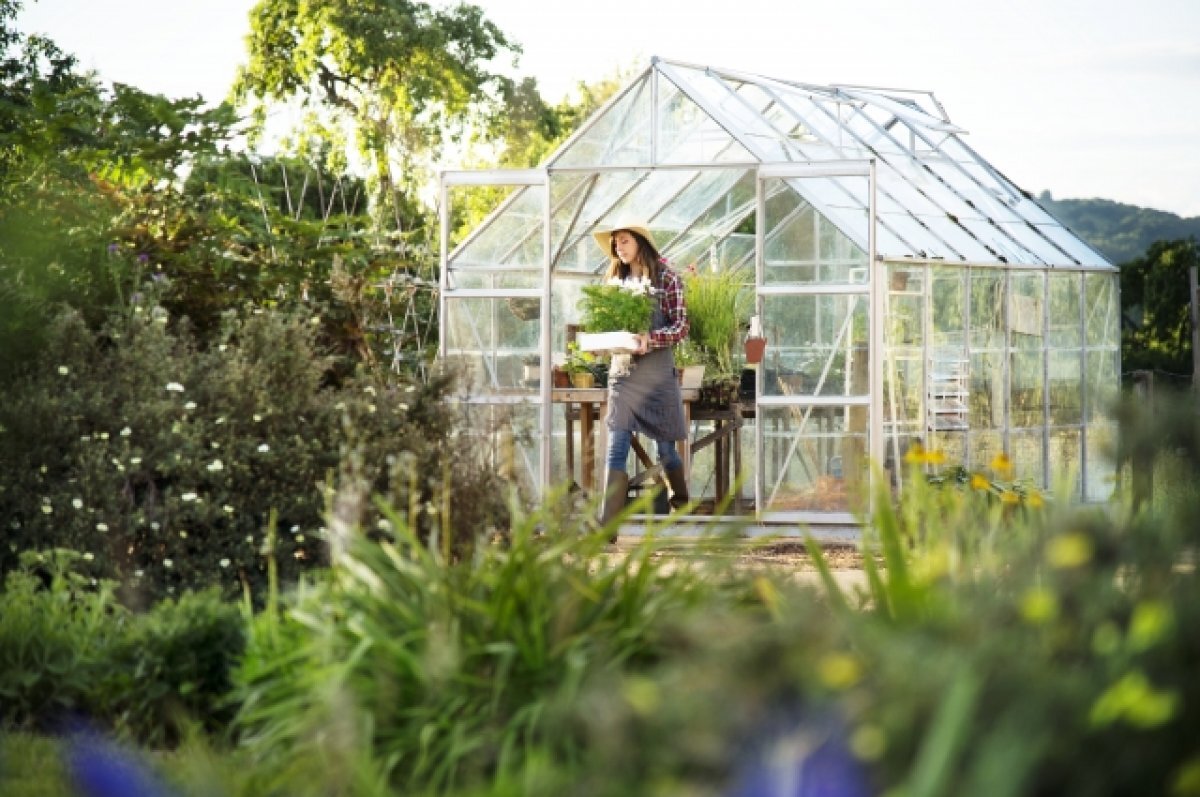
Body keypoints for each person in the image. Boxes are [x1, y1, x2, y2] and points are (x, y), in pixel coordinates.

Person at [590, 221, 690, 536]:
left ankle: (680, 496)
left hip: (657, 378)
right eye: (614, 243)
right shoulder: (612, 283)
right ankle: (608, 527)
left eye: (623, 240)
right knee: (616, 445)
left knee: (665, 451)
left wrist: (653, 338)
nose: (618, 247)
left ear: (640, 243)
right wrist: (600, 345)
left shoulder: (667, 278)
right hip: (623, 376)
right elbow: (605, 327)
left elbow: (681, 327)